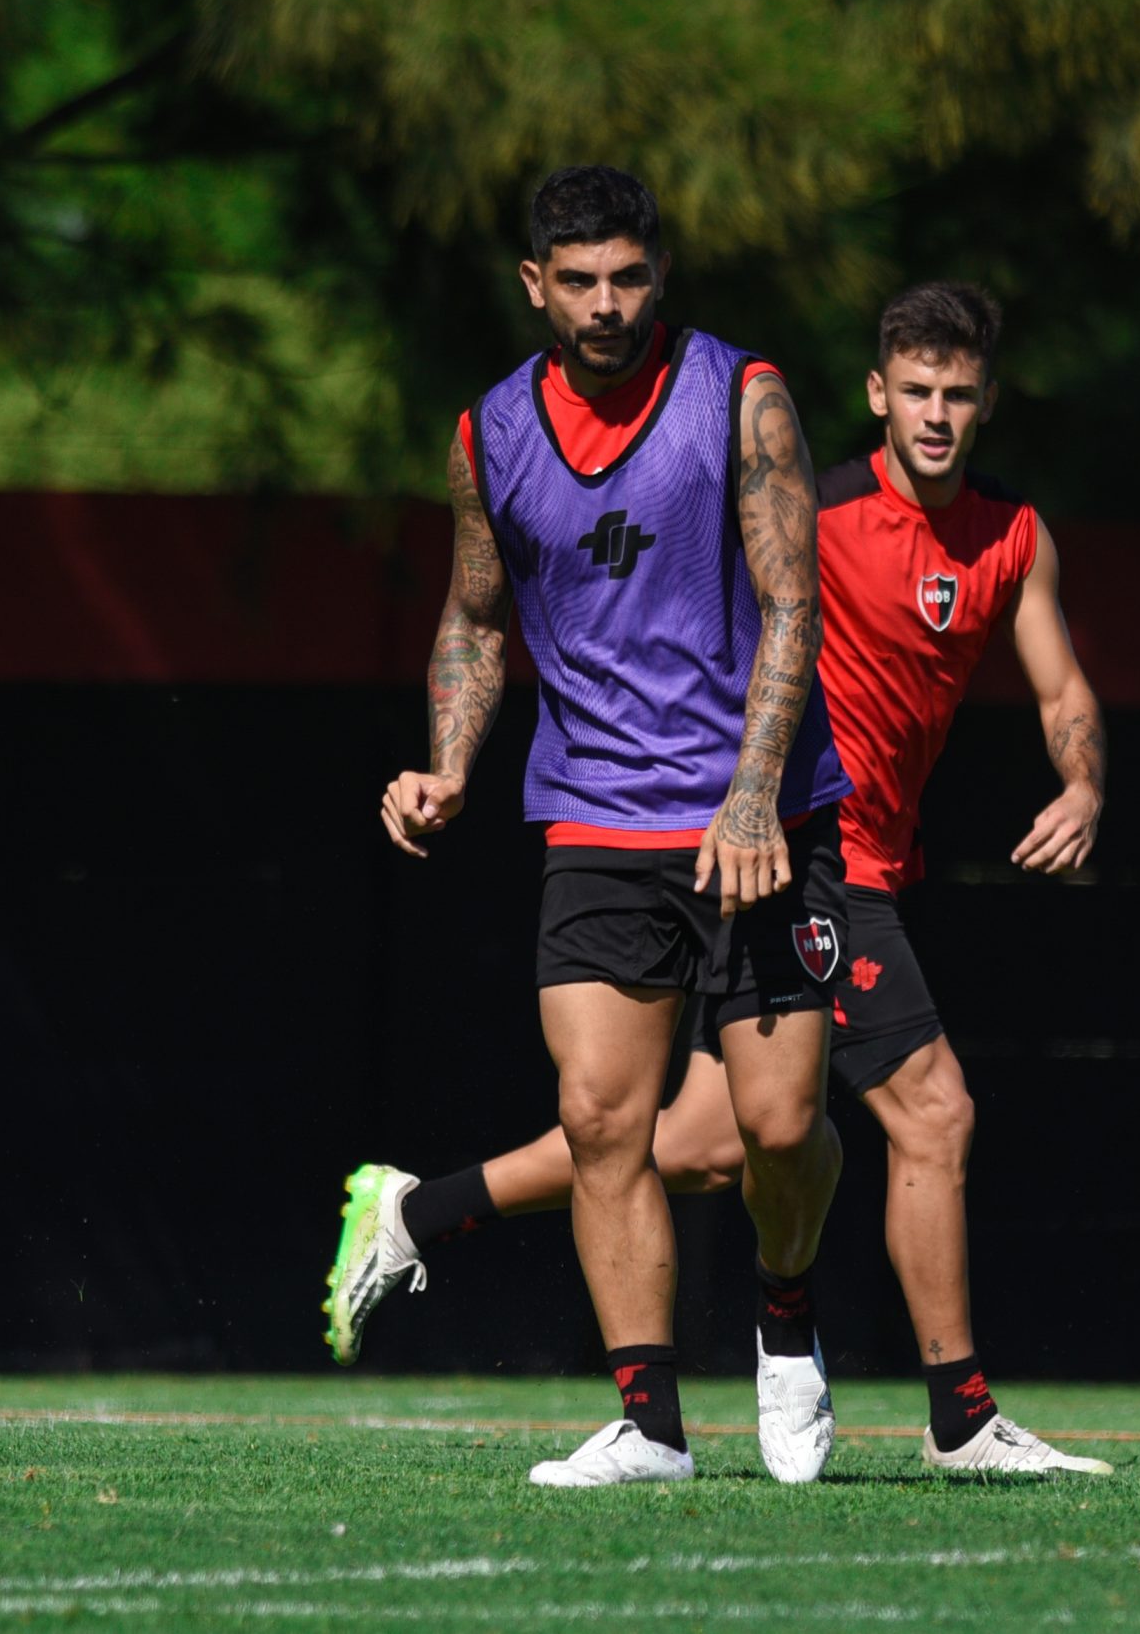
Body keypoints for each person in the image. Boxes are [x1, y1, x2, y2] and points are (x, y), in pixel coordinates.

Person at [333, 281, 1115, 1478]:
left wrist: (1083, 784)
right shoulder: (819, 509)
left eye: (958, 394)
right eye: (915, 390)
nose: (936, 414)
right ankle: (958, 1416)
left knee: (709, 1144)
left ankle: (413, 1210)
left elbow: (1061, 689)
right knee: (933, 1110)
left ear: (988, 402)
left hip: (844, 857)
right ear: (876, 394)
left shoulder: (1012, 535)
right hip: (800, 846)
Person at [365, 165, 855, 1489]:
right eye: (577, 281)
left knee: (776, 1127)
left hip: (761, 817)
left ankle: (786, 1311)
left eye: (628, 277)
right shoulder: (489, 433)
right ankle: (649, 1422)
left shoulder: (740, 396)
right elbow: (476, 615)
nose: (604, 304)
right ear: (536, 284)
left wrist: (752, 791)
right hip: (592, 813)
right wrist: (449, 765)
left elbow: (794, 603)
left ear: (661, 275)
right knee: (597, 1118)